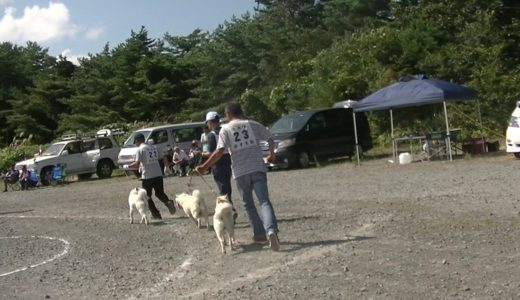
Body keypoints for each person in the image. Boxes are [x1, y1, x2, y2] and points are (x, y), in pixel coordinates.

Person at [196, 103, 280, 251]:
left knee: (248, 204)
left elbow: (220, 151)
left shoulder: (225, 129)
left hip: (240, 171)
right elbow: (270, 139)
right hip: (257, 167)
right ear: (241, 112)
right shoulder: (253, 124)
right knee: (264, 201)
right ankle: (271, 230)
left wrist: (204, 167)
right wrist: (271, 154)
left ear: (228, 115)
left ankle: (260, 235)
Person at [124, 133, 176, 220]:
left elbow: (137, 164)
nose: (135, 143)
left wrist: (127, 166)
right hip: (158, 174)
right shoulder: (154, 147)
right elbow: (164, 157)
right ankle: (168, 202)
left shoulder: (140, 150)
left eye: (135, 141)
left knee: (147, 196)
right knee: (160, 193)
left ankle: (156, 214)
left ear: (138, 141)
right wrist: (166, 167)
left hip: (147, 176)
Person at [201, 111, 238, 222]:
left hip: (218, 163)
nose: (207, 125)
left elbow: (212, 153)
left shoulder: (212, 135)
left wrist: (200, 154)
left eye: (208, 122)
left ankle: (230, 212)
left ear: (211, 122)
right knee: (227, 188)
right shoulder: (226, 130)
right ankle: (230, 210)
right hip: (228, 160)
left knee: (223, 189)